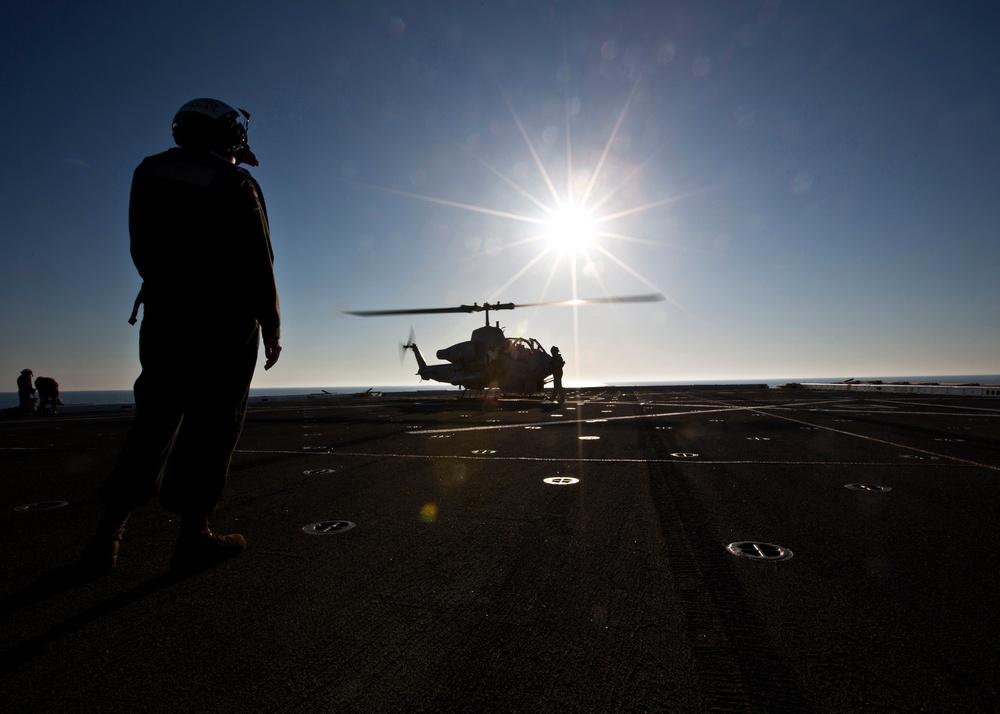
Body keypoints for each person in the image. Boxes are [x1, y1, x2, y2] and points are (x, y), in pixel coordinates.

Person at [81, 98, 282, 574]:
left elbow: (140, 245)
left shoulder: (148, 172)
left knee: (153, 421)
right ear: (227, 134)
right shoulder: (236, 182)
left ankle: (107, 536)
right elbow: (259, 261)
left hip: (165, 316)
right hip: (224, 324)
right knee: (213, 427)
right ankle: (193, 537)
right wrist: (271, 324)